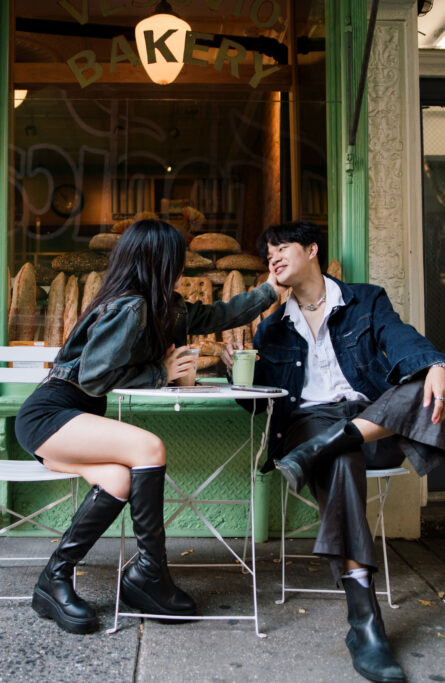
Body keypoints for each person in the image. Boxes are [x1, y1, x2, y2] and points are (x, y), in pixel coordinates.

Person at [15, 219, 282, 634]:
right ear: (158, 262)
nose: (184, 272)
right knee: (148, 447)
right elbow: (92, 378)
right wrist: (160, 372)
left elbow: (217, 314)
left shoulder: (160, 306)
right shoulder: (130, 306)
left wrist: (271, 291)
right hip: (50, 416)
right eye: (177, 261)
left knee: (119, 480)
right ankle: (148, 575)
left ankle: (53, 579)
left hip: (70, 422)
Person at [223, 221, 445, 683]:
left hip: (374, 425)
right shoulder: (271, 328)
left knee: (417, 386)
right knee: (338, 456)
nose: (273, 258)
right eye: (267, 253)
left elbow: (402, 339)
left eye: (281, 248)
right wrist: (238, 378)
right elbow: (261, 408)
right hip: (311, 424)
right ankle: (365, 622)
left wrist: (437, 365)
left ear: (312, 250)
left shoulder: (366, 300)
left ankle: (328, 445)